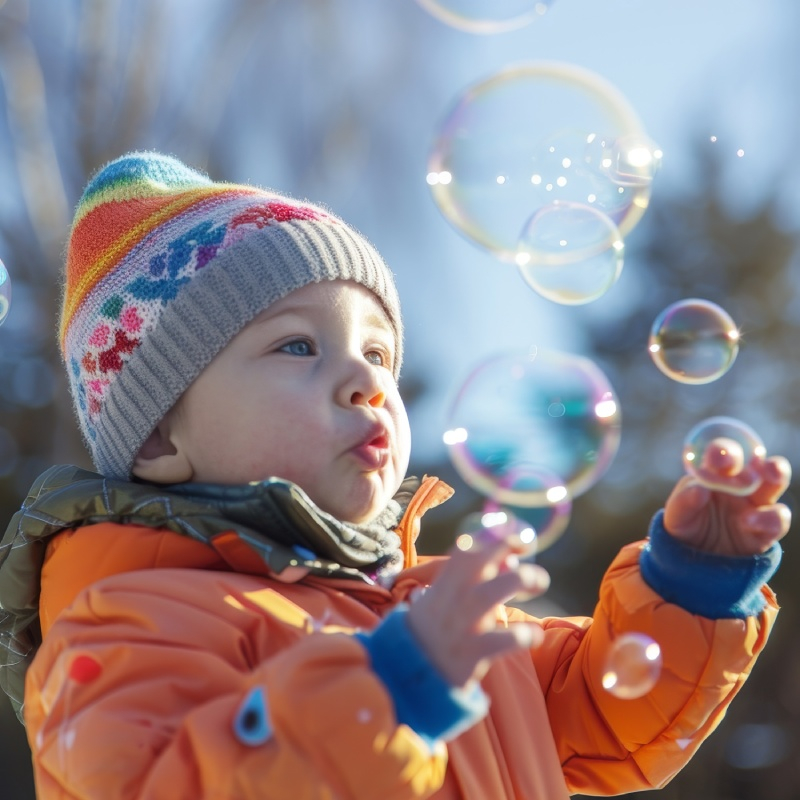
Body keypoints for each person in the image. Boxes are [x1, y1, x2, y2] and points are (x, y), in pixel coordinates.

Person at [0, 151, 791, 800]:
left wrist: (690, 583)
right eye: (298, 346)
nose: (369, 382)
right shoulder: (123, 628)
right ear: (158, 438)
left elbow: (606, 709)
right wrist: (385, 693)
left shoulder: (438, 609)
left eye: (378, 352)